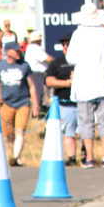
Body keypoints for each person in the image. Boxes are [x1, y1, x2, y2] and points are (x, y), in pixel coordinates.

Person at [65, 5, 104, 167]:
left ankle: (89, 157)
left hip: (85, 84)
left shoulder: (78, 34)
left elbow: (71, 59)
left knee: (86, 121)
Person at [0, 40, 39, 165]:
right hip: (6, 104)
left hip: (23, 102)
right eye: (16, 50)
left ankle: (15, 157)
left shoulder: (24, 66)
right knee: (9, 134)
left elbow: (32, 86)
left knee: (20, 131)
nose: (19, 52)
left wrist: (36, 104)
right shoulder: (0, 66)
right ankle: (16, 156)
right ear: (8, 52)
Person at [44, 33, 78, 165]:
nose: (65, 47)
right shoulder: (56, 63)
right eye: (63, 44)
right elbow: (49, 81)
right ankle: (71, 159)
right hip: (64, 103)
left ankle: (86, 156)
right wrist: (66, 83)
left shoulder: (81, 61)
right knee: (68, 132)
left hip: (81, 103)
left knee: (85, 132)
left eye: (68, 44)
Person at [23, 31, 50, 112]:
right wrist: (54, 61)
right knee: (37, 93)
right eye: (40, 39)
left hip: (35, 73)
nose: (41, 41)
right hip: (36, 74)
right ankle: (36, 111)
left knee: (40, 92)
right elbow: (47, 58)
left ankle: (39, 109)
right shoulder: (35, 48)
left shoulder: (30, 47)